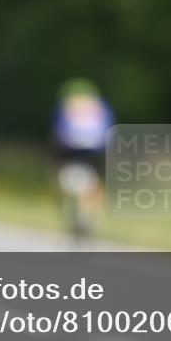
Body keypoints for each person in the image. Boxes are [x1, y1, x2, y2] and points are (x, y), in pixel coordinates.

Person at [51, 78, 114, 237]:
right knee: (95, 185)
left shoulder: (66, 106)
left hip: (72, 149)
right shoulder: (100, 106)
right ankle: (94, 218)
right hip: (96, 149)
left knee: (66, 180)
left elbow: (58, 131)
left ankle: (79, 215)